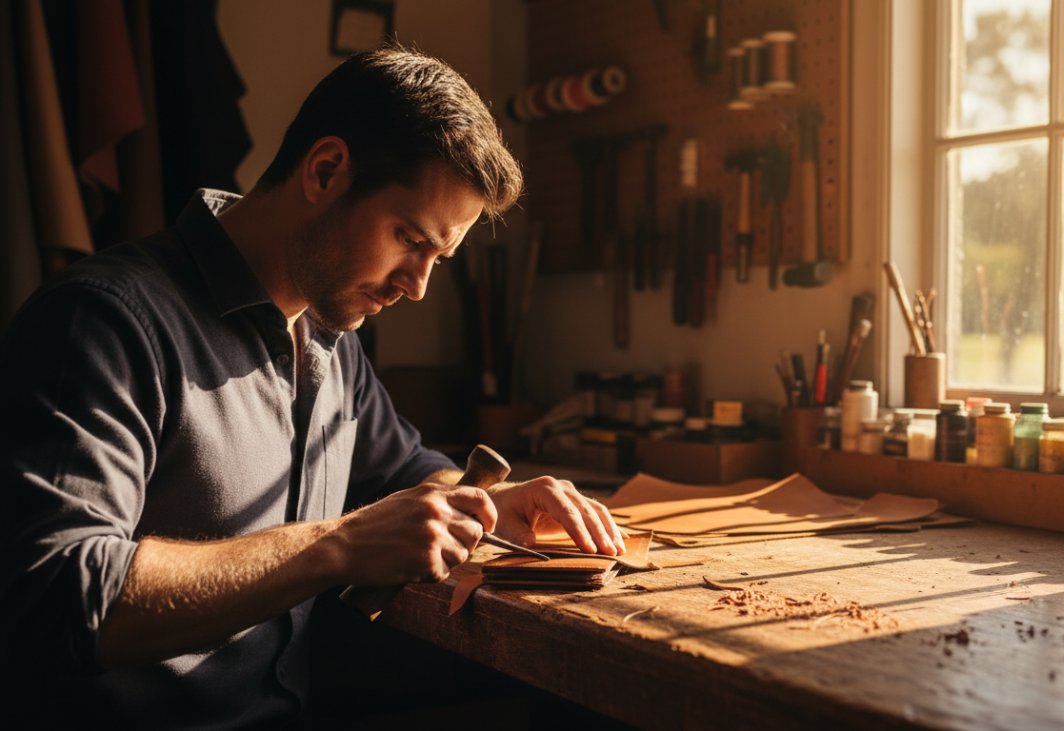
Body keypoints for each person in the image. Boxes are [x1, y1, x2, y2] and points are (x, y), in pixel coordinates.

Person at [0, 44, 625, 728]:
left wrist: (488, 503)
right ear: (326, 171)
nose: (417, 286)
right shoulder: (105, 322)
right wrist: (338, 545)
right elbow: (58, 595)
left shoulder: (330, 338)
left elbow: (407, 470)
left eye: (437, 258)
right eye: (408, 238)